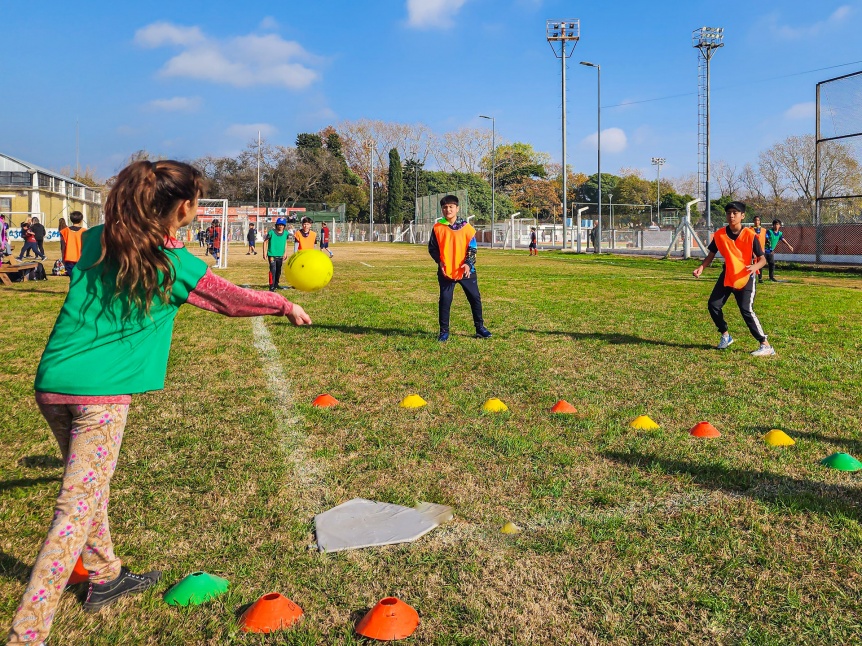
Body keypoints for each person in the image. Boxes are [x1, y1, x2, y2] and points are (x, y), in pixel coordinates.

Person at [6, 160, 311, 646]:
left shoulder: (97, 239)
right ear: (184, 207)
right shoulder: (174, 265)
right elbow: (230, 300)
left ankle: (105, 574)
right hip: (99, 398)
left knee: (90, 487)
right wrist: (284, 304)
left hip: (52, 384)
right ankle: (28, 632)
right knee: (74, 508)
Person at [693, 201, 774, 357]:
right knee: (713, 305)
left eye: (735, 213)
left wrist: (754, 268)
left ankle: (765, 345)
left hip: (745, 277)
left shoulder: (751, 235)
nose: (731, 216)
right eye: (729, 212)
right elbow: (711, 254)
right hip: (728, 275)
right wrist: (701, 268)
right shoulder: (720, 234)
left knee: (746, 310)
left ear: (742, 216)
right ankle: (725, 335)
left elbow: (763, 259)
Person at [428, 195, 491, 342]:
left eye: (451, 206)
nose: (448, 209)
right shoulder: (438, 228)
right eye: (445, 207)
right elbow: (432, 248)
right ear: (442, 209)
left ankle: (480, 328)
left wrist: (468, 263)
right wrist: (440, 262)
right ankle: (444, 331)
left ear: (457, 208)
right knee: (445, 299)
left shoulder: (467, 228)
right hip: (446, 271)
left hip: (466, 271)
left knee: (475, 298)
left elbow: (473, 248)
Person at [264, 217, 291, 291]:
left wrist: (285, 253)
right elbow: (265, 241)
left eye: (282, 225)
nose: (281, 226)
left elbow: (285, 242)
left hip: (280, 255)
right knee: (273, 270)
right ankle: (271, 286)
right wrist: (264, 252)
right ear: (277, 225)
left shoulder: (286, 233)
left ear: (284, 226)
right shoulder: (271, 232)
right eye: (279, 225)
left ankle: (276, 284)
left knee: (278, 270)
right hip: (272, 254)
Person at [59, 211, 87, 276]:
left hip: (69, 258)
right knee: (80, 279)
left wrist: (63, 258)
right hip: (81, 259)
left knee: (72, 278)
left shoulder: (64, 231)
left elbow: (63, 246)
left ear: (71, 219)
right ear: (81, 220)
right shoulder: (85, 231)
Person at [751, 215, 767, 283]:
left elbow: (766, 239)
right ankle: (752, 277)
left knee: (760, 263)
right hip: (752, 250)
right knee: (753, 263)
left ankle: (760, 278)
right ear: (753, 221)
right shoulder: (750, 230)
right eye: (755, 220)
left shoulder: (764, 230)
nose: (756, 222)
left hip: (761, 250)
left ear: (760, 221)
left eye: (758, 220)